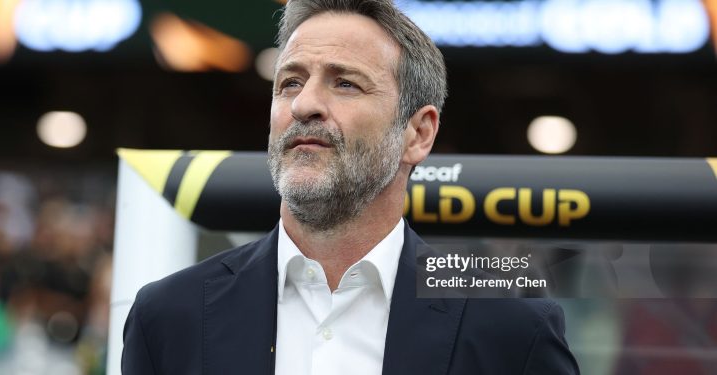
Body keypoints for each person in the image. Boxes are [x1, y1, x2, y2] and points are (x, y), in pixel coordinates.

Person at [122, 0, 580, 374]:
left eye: (345, 83)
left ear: (418, 133)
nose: (304, 104)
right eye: (290, 82)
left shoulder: (512, 325)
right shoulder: (167, 316)